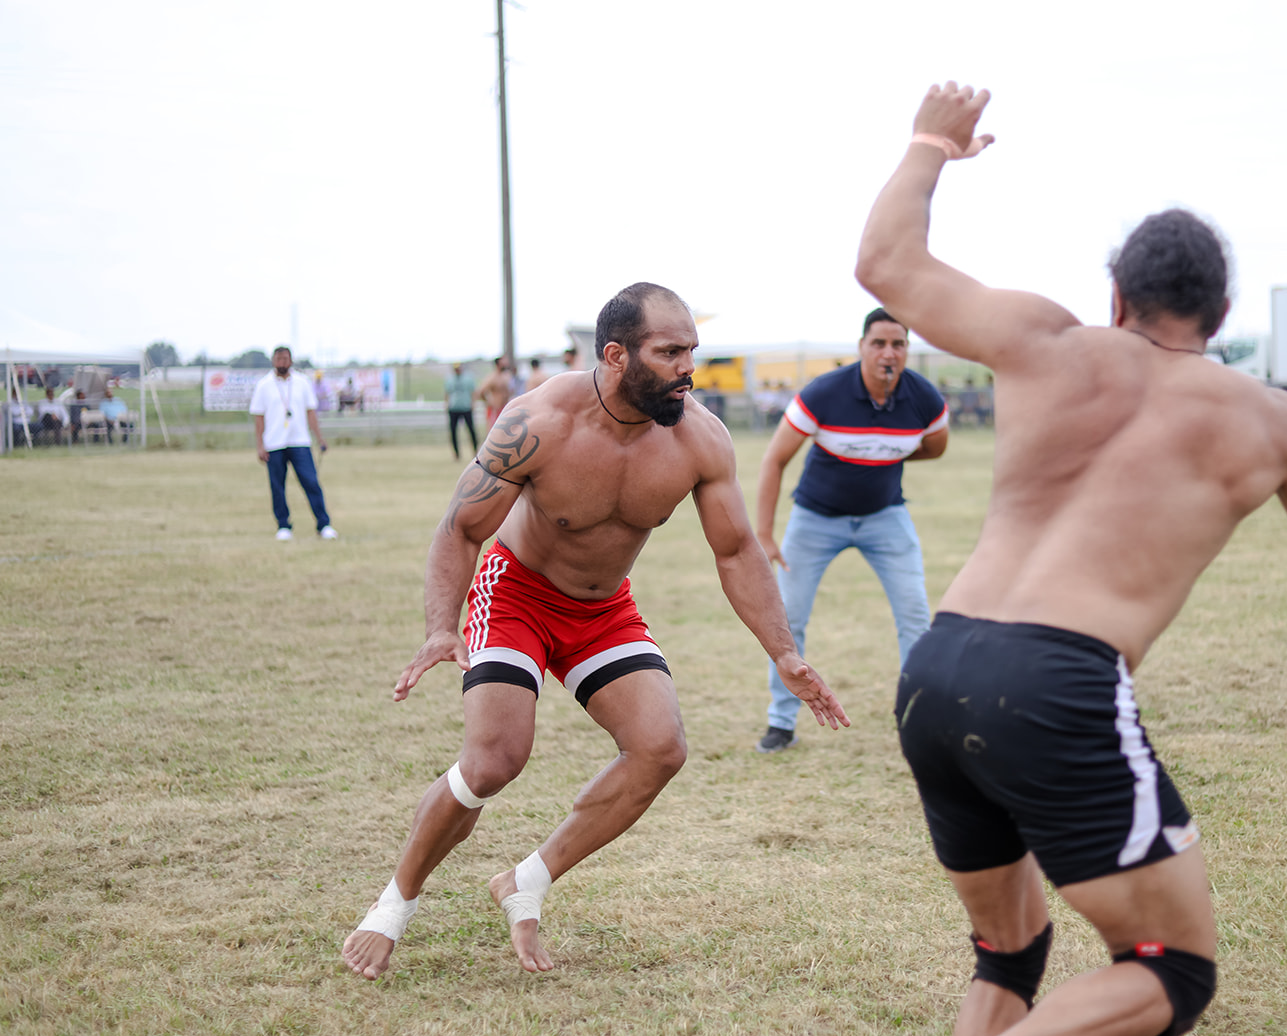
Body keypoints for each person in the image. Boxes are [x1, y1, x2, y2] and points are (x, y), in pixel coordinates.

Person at [855, 82, 1287, 1036]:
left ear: (1116, 296)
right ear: (1220, 314)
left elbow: (885, 264)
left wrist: (930, 141)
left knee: (1008, 950)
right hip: (1055, 680)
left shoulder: (1043, 340)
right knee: (1169, 967)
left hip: (936, 667)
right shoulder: (1268, 419)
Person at [341, 282, 847, 982]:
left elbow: (736, 551)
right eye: (670, 352)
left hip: (602, 609)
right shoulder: (539, 421)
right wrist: (439, 627)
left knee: (660, 748)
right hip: (516, 593)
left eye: (692, 351)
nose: (688, 368)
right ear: (615, 355)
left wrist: (784, 652)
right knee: (493, 761)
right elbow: (460, 527)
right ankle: (394, 904)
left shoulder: (700, 437)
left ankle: (526, 881)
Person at [752, 307, 948, 753]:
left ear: (907, 350)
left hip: (886, 518)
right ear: (861, 347)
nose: (888, 353)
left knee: (915, 615)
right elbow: (774, 459)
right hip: (815, 519)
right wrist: (764, 533)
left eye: (898, 344)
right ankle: (781, 721)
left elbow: (935, 447)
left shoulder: (924, 398)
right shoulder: (824, 393)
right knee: (789, 619)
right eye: (878, 343)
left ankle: (920, 719)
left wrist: (882, 453)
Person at [248, 346, 337, 541]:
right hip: (274, 443)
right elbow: (259, 417)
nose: (282, 362)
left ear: (291, 360)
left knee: (311, 482)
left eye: (285, 359)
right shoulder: (264, 385)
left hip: (300, 441)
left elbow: (311, 412)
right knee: (277, 486)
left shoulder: (302, 382)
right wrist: (260, 445)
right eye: (279, 359)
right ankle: (283, 525)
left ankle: (323, 524)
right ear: (273, 361)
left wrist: (320, 438)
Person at [444, 363, 478, 460]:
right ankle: (456, 453)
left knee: (471, 430)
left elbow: (473, 392)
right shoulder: (450, 379)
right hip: (454, 408)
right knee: (453, 431)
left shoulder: (468, 378)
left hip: (466, 407)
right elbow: (447, 393)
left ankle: (475, 450)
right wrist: (446, 404)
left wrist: (473, 403)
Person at [475, 356, 516, 430]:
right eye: (503, 363)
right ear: (498, 364)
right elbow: (481, 392)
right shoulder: (492, 377)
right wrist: (488, 402)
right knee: (495, 430)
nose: (505, 364)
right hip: (495, 409)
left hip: (505, 408)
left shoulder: (506, 376)